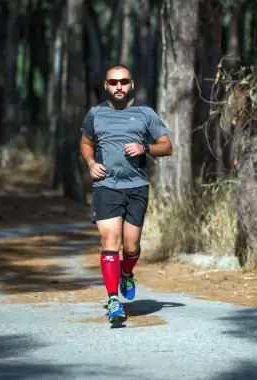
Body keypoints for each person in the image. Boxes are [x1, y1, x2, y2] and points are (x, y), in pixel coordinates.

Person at [79, 64, 173, 324]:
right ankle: (113, 301)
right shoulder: (95, 114)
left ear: (131, 84)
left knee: (130, 247)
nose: (118, 86)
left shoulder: (145, 114)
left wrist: (145, 147)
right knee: (111, 241)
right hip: (106, 186)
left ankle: (127, 273)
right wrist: (90, 164)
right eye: (113, 82)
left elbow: (167, 147)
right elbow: (86, 143)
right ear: (106, 85)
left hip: (136, 187)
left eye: (123, 81)